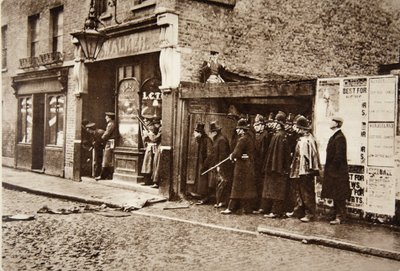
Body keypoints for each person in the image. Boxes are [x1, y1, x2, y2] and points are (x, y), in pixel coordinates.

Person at [287, 116, 321, 222]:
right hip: (299, 170)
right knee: (299, 191)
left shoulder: (308, 140)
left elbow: (311, 157)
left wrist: (308, 169)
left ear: (302, 129)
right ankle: (299, 211)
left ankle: (310, 213)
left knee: (307, 192)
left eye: (297, 127)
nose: (295, 129)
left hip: (306, 171)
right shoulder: (302, 139)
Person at [221, 119, 257, 215]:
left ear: (242, 130)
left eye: (238, 129)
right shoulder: (250, 138)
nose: (237, 131)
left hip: (241, 166)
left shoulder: (242, 139)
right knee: (247, 188)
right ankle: (248, 209)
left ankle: (231, 208)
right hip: (249, 165)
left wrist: (231, 156)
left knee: (236, 187)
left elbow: (236, 153)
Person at [260, 111, 291, 218]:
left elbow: (279, 155)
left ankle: (276, 211)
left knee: (277, 190)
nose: (273, 124)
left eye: (275, 122)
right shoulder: (280, 135)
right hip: (277, 168)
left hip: (277, 169)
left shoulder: (279, 136)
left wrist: (275, 167)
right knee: (275, 190)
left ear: (279, 124)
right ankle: (273, 210)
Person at [321, 116, 350, 225]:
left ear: (337, 124)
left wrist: (332, 169)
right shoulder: (335, 136)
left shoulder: (339, 137)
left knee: (339, 195)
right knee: (335, 194)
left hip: (338, 172)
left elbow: (339, 156)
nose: (330, 122)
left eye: (332, 121)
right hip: (334, 171)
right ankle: (335, 215)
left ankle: (340, 217)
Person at [205, 121, 232, 208]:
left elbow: (223, 155)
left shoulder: (221, 140)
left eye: (211, 132)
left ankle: (222, 202)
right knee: (220, 183)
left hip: (222, 166)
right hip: (218, 165)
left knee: (222, 184)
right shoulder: (217, 139)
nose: (209, 134)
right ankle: (220, 201)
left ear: (215, 132)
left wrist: (219, 166)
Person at [192, 122, 213, 204]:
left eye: (195, 132)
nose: (194, 134)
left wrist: (204, 165)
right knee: (202, 181)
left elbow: (210, 154)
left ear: (199, 133)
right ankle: (202, 195)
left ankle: (205, 197)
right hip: (202, 164)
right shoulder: (201, 140)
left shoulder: (207, 140)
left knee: (205, 181)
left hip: (206, 165)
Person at [253, 114, 270, 210]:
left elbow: (263, 152)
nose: (255, 127)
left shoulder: (265, 135)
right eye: (255, 125)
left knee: (262, 186)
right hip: (256, 164)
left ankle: (262, 206)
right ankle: (257, 205)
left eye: (257, 125)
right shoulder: (257, 135)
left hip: (261, 165)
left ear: (262, 125)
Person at [141, 118, 161, 187]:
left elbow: (154, 139)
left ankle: (153, 182)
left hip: (155, 148)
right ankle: (148, 181)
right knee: (148, 165)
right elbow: (145, 140)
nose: (145, 122)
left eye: (146, 120)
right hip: (151, 147)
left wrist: (149, 134)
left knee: (152, 165)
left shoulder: (157, 129)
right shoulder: (153, 128)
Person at [95, 112, 116, 180]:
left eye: (106, 116)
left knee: (106, 159)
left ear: (109, 117)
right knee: (109, 159)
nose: (105, 118)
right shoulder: (113, 123)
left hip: (110, 142)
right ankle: (108, 175)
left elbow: (106, 134)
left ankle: (104, 175)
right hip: (111, 142)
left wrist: (101, 139)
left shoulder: (110, 124)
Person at [151, 118, 163, 188]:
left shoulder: (161, 129)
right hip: (159, 147)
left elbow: (155, 139)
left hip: (160, 147)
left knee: (157, 164)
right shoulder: (160, 128)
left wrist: (150, 134)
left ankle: (156, 182)